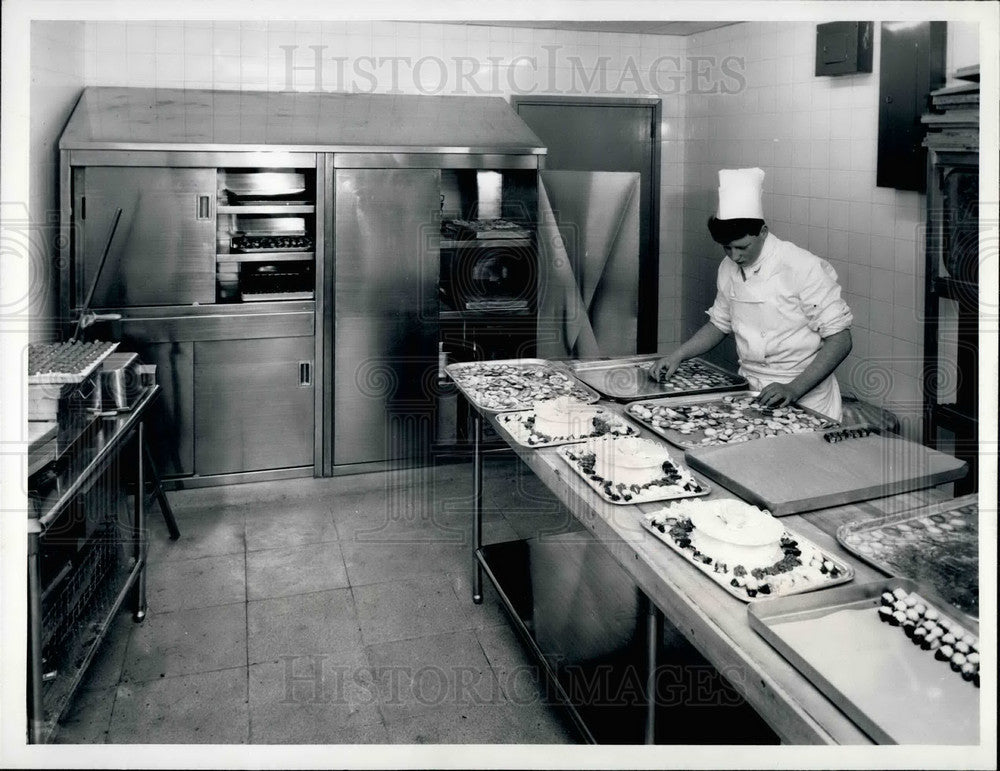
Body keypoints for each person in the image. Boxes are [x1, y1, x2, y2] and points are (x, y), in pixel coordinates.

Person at [652, 167, 853, 421]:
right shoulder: (728, 268)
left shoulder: (802, 266)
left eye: (742, 247)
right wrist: (677, 355)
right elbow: (719, 324)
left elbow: (841, 339)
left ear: (763, 232)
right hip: (750, 387)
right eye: (727, 248)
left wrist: (793, 388)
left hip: (805, 394)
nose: (735, 256)